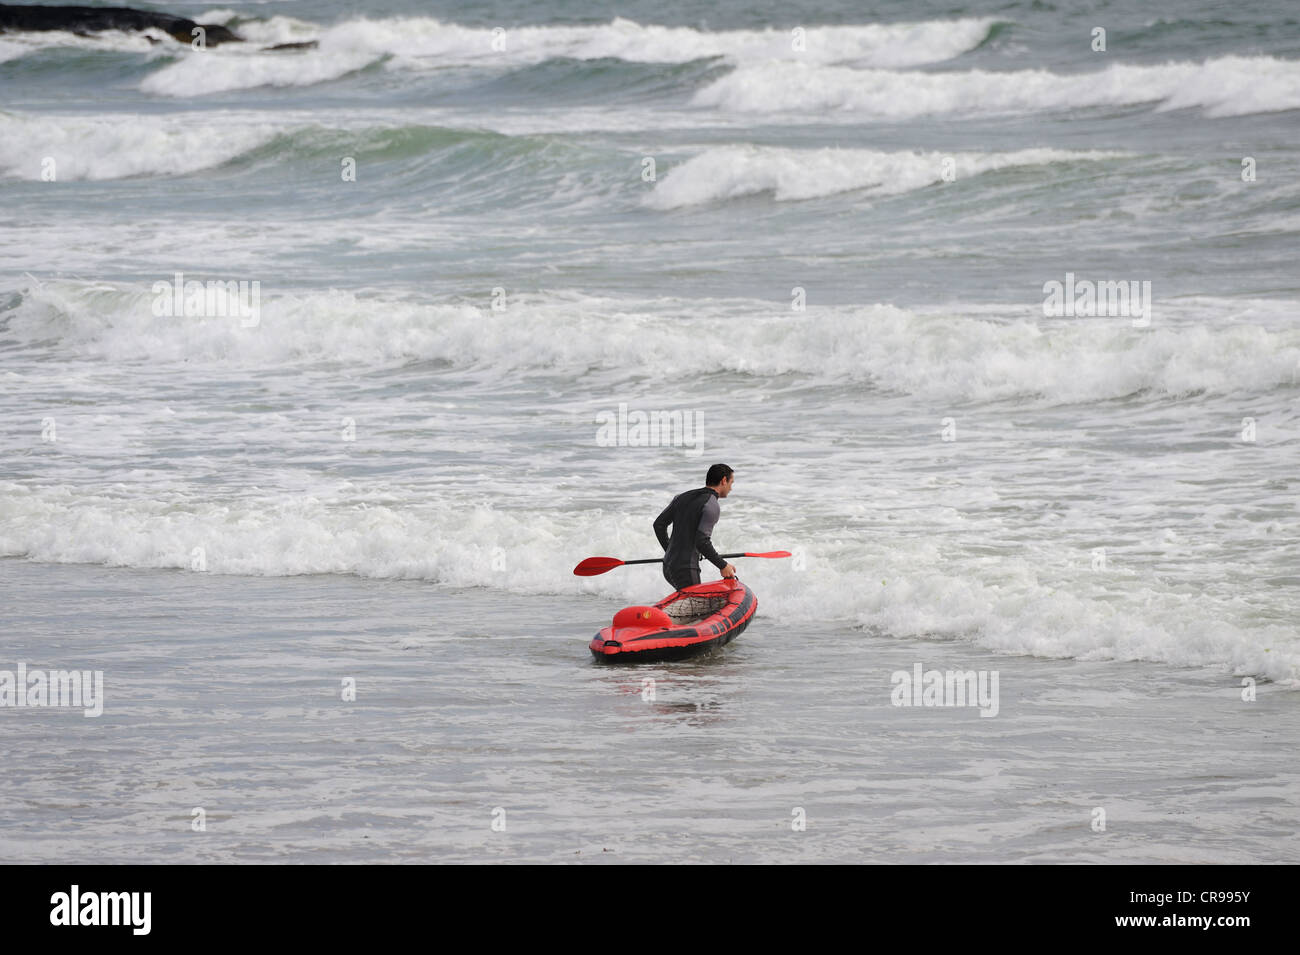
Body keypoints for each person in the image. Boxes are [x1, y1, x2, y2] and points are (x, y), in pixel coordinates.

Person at [653, 464, 736, 591]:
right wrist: (723, 565)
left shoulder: (682, 497)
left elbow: (659, 525)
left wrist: (670, 551)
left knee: (686, 604)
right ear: (724, 480)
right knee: (696, 608)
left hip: (668, 566)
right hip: (686, 569)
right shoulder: (711, 504)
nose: (731, 488)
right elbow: (702, 541)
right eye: (731, 483)